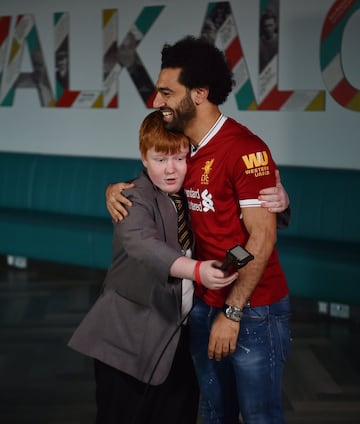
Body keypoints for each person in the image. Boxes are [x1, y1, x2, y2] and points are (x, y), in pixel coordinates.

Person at [106, 36, 291, 424]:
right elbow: (156, 181)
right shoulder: (185, 148)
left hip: (253, 310)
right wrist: (113, 190)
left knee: (260, 416)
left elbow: (261, 238)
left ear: (200, 94)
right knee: (211, 412)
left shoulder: (245, 148)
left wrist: (233, 312)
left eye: (166, 92)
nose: (157, 102)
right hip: (204, 305)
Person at [68, 110, 237, 424]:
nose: (171, 170)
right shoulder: (130, 197)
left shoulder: (193, 191)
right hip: (127, 340)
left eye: (180, 158)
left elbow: (239, 208)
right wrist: (198, 270)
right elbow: (144, 247)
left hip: (180, 338)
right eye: (160, 160)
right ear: (143, 158)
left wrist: (278, 204)